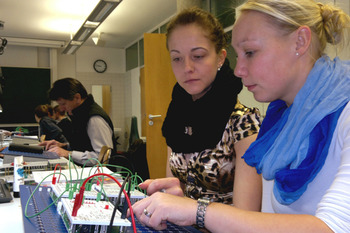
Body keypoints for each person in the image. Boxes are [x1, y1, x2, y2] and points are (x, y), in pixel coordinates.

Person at [131, 0, 350, 232]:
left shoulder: (343, 117)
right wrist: (181, 200)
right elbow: (264, 220)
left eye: (250, 52)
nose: (238, 70)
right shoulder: (281, 121)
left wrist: (195, 210)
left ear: (300, 41)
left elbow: (334, 226)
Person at [139, 7, 261, 205]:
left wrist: (187, 211)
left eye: (198, 56)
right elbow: (173, 190)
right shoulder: (176, 116)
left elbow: (246, 216)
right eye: (177, 58)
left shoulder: (243, 123)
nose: (187, 68)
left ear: (220, 58)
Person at [40, 78, 116, 166]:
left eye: (63, 104)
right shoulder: (80, 114)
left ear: (77, 98)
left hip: (98, 176)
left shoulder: (94, 118)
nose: (61, 108)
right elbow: (84, 145)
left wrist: (68, 153)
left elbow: (102, 158)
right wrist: (63, 146)